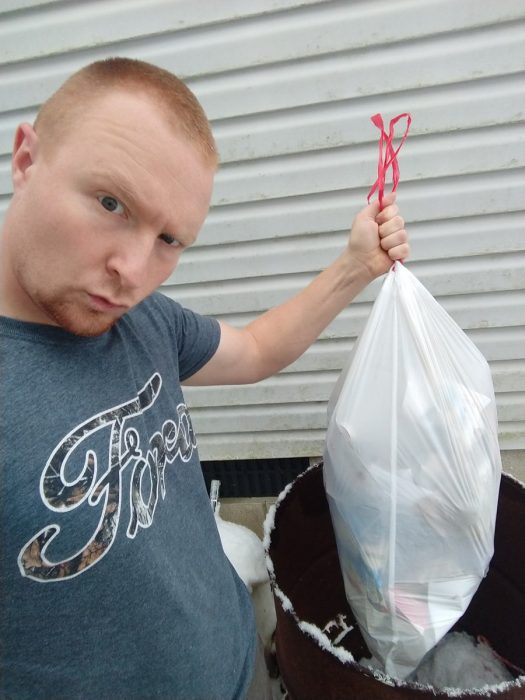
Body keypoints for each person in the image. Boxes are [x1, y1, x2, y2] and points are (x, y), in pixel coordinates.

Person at [0, 57, 409, 700]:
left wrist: (356, 265)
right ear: (26, 160)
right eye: (112, 203)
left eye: (170, 239)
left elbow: (252, 351)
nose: (133, 270)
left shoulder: (144, 321)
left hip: (231, 664)